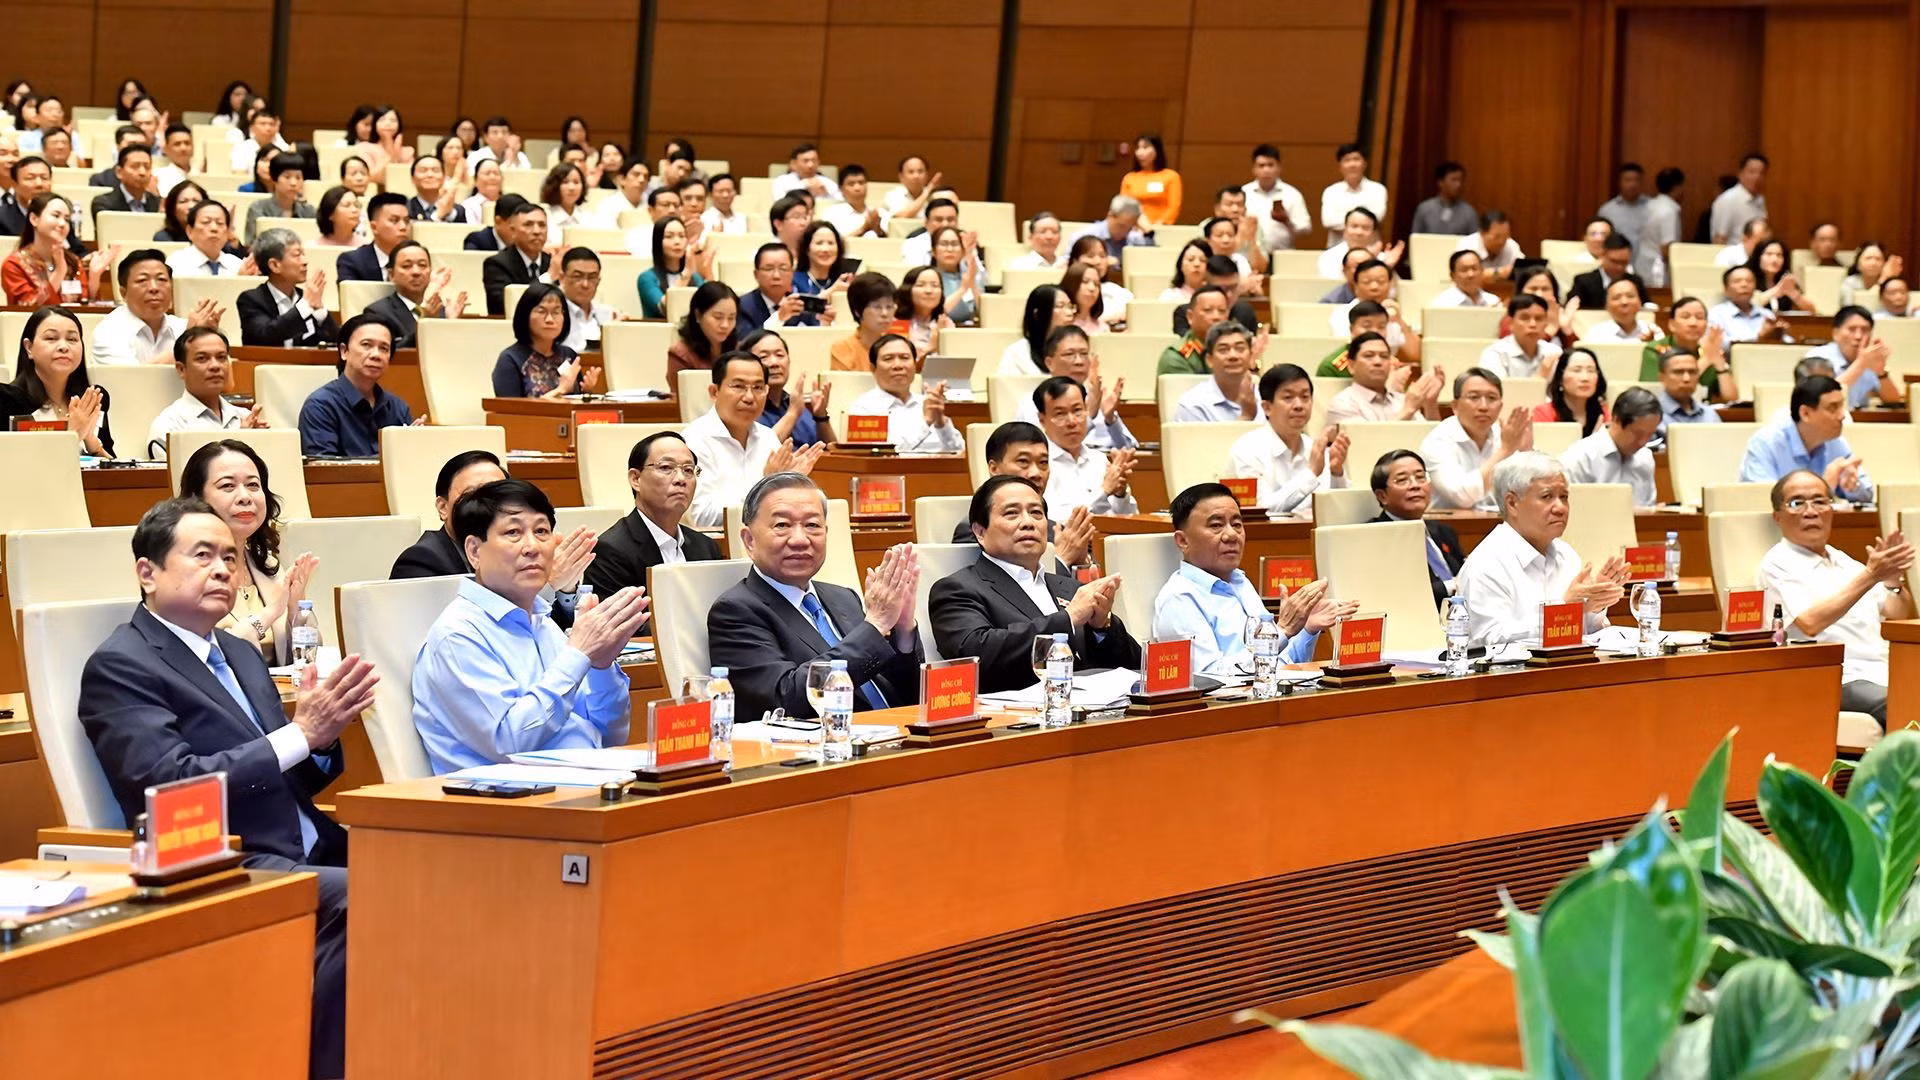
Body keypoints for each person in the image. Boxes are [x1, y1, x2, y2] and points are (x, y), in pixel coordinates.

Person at [80, 497, 370, 1080]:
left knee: (454, 868)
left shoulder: (238, 652)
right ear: (148, 572)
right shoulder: (122, 664)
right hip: (226, 859)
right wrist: (298, 734)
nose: (223, 570)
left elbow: (301, 775)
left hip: (312, 844)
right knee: (372, 899)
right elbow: (169, 788)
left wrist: (320, 737)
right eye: (203, 555)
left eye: (232, 559)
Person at [409, 476, 644, 773]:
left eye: (542, 531)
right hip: (505, 804)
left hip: (582, 783)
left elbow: (610, 735)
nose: (532, 546)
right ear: (474, 551)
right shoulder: (458, 635)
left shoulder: (544, 625)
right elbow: (509, 742)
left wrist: (601, 666)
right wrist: (578, 655)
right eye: (513, 532)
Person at [708, 473, 923, 720]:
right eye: (782, 525)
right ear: (749, 540)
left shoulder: (844, 597)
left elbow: (907, 694)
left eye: (812, 525)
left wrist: (904, 629)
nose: (800, 540)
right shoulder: (735, 610)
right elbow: (785, 700)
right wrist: (875, 625)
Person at [929, 474, 1139, 693]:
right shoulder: (957, 590)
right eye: (1011, 513)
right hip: (1016, 719)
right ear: (980, 532)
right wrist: (1068, 619)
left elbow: (1135, 667)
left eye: (1036, 513)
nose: (1028, 523)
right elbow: (975, 656)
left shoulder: (1068, 587)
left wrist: (1103, 627)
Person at [1756, 469, 1914, 727]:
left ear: (1832, 509)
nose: (1810, 511)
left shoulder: (1845, 561)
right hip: (1837, 677)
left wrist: (1892, 581)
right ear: (1778, 516)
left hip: (1885, 669)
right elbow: (1809, 623)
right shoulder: (1777, 564)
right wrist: (1871, 575)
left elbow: (1898, 613)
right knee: (1901, 703)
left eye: (1819, 501)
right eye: (1797, 503)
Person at [1152, 483, 1353, 676]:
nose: (1231, 534)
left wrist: (1306, 628)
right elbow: (1210, 679)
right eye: (1216, 525)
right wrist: (1281, 631)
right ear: (1183, 541)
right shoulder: (1179, 599)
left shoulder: (1240, 582)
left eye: (1237, 524)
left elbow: (1276, 665)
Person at [1455, 452, 1628, 647]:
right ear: (1512, 503)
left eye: (1564, 497)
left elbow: (1585, 634)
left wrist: (1593, 605)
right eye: (1547, 497)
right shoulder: (1486, 564)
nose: (1560, 508)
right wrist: (1563, 610)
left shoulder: (1567, 555)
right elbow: (1489, 641)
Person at [178, 439, 320, 663]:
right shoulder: (184, 571)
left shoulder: (268, 565)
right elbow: (208, 656)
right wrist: (272, 611)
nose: (245, 497)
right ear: (197, 499)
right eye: (228, 486)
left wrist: (296, 611)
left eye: (253, 485)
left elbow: (308, 661)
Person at [580, 431, 725, 606]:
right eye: (665, 468)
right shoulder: (610, 550)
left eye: (688, 470)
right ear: (636, 479)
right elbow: (622, 625)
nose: (681, 479)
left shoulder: (706, 548)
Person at [683, 351, 822, 528]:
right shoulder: (694, 441)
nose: (749, 397)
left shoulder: (767, 437)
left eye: (757, 388)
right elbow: (702, 517)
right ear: (714, 392)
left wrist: (791, 483)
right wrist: (767, 485)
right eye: (739, 386)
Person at [1227, 363, 1348, 515]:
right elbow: (1257, 511)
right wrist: (1311, 474)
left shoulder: (1316, 448)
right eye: (1288, 397)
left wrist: (1337, 473)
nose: (1299, 405)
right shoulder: (1246, 450)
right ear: (1267, 407)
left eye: (1305, 397)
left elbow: (1339, 509)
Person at [0, 306, 115, 456]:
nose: (63, 347)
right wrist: (71, 434)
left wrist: (92, 442)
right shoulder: (6, 400)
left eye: (72, 339)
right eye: (51, 338)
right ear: (29, 347)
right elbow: (14, 465)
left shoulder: (91, 398)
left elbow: (114, 473)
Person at [1737, 375, 1872, 502]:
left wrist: (1853, 486)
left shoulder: (1836, 443)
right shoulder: (1766, 444)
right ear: (1805, 413)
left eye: (1842, 406)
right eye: (1832, 408)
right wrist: (1824, 486)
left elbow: (1867, 495)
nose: (1842, 416)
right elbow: (1762, 502)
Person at [296, 313, 411, 456]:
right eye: (366, 345)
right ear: (344, 351)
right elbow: (324, 468)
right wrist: (392, 457)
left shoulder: (398, 408)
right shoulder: (320, 406)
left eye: (384, 348)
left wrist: (412, 444)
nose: (376, 355)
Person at [1010, 325, 1137, 452]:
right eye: (1069, 354)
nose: (1079, 361)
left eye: (1084, 354)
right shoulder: (1035, 402)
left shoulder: (1098, 396)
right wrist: (1090, 415)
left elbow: (1130, 448)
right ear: (1049, 363)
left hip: (1104, 463)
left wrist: (1111, 419)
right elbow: (1043, 451)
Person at [1420, 367, 1529, 511]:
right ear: (1455, 406)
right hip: (1450, 528)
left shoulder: (1505, 434)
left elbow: (1529, 491)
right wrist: (1505, 451)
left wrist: (1528, 451)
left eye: (1491, 398)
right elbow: (1461, 496)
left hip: (1501, 523)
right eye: (1474, 397)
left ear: (1500, 406)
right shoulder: (1436, 441)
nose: (1483, 406)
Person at [1370, 450, 1465, 611]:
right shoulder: (1373, 537)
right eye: (1402, 480)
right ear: (1382, 495)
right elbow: (1398, 594)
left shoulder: (1443, 531)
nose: (1415, 485)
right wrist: (1451, 586)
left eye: (1420, 477)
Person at [390, 450, 507, 578]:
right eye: (472, 494)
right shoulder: (420, 561)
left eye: (498, 495)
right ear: (443, 507)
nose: (487, 504)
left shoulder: (518, 549)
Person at [1034, 375, 1138, 519]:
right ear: (1042, 420)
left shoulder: (1099, 459)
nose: (1072, 421)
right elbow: (1052, 521)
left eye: (1077, 410)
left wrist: (1120, 494)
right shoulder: (1039, 465)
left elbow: (1131, 518)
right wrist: (1104, 491)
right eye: (1060, 414)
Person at [89, 249, 215, 367]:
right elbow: (132, 380)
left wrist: (210, 338)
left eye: (161, 279)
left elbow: (225, 383)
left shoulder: (182, 327)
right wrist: (188, 342)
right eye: (142, 280)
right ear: (123, 293)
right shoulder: (108, 331)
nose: (154, 288)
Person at [148, 328, 262, 449]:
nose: (215, 366)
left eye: (221, 357)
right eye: (202, 358)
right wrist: (241, 440)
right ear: (181, 369)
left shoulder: (245, 417)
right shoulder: (169, 426)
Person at [491, 282, 597, 399]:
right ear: (525, 315)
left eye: (556, 312)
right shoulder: (510, 359)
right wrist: (560, 390)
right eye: (541, 311)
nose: (550, 319)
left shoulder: (568, 355)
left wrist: (587, 392)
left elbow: (574, 405)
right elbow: (509, 411)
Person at [1559, 386, 1661, 505]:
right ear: (1616, 420)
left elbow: (1649, 506)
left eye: (1650, 434)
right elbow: (1572, 512)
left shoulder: (1645, 457)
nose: (1643, 441)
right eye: (1637, 433)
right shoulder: (1580, 458)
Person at [238, 228, 337, 347]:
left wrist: (320, 311)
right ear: (274, 265)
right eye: (297, 255)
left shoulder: (305, 297)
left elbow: (334, 342)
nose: (305, 261)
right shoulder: (251, 300)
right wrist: (304, 307)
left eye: (303, 254)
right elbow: (264, 336)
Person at [2, 193, 105, 304]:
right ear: (34, 219)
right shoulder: (14, 265)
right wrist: (59, 271)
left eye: (67, 219)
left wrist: (94, 276)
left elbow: (85, 307)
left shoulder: (73, 261)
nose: (62, 224)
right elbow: (28, 309)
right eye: (56, 216)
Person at [744, 329, 836, 448]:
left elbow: (833, 451)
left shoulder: (794, 404)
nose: (774, 362)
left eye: (780, 355)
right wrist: (792, 413)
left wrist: (821, 417)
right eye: (764, 356)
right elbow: (759, 452)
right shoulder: (746, 406)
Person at [1325, 332, 1441, 424]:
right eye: (1369, 356)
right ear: (1351, 366)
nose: (1378, 362)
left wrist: (1430, 404)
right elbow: (1366, 444)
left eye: (1384, 356)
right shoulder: (1343, 403)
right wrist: (1407, 411)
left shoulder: (1401, 400)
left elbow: (1430, 441)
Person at [366, 240, 463, 348]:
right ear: (391, 274)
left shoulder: (441, 311)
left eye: (422, 265)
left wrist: (451, 324)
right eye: (407, 266)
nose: (416, 272)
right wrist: (425, 324)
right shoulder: (378, 312)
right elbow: (391, 353)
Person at [1806, 306, 1900, 409]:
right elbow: (1822, 397)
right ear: (1835, 333)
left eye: (1865, 330)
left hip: (1858, 421)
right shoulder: (1818, 357)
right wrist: (1861, 364)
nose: (1858, 336)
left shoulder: (1870, 358)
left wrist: (1881, 372)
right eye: (1852, 329)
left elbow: (1893, 400)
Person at [1172, 322, 1263, 422]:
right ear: (1209, 360)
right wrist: (1246, 417)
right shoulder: (1193, 405)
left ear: (1250, 356)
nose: (1233, 356)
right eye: (1223, 350)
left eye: (1240, 349)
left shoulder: (1267, 398)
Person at [481, 201, 552, 316]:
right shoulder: (496, 264)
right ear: (513, 230)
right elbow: (505, 306)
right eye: (528, 225)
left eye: (542, 225)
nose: (537, 231)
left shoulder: (552, 263)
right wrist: (549, 277)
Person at [736, 242, 825, 330]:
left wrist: (826, 323)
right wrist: (779, 317)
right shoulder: (742, 306)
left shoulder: (802, 304)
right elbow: (746, 342)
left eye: (783, 268)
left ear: (792, 273)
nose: (776, 276)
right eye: (768, 269)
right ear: (756, 274)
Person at [665, 280, 739, 380]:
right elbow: (680, 394)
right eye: (718, 317)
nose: (725, 325)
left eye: (731, 318)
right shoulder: (681, 354)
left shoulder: (739, 348)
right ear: (698, 315)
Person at [1242, 143, 1311, 251]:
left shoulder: (1292, 194)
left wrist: (1286, 221)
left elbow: (1305, 229)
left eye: (1270, 165)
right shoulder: (1244, 193)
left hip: (1282, 254)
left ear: (1279, 168)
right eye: (1261, 165)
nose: (1266, 170)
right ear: (1254, 169)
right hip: (1250, 254)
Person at [636, 215, 705, 319]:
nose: (677, 242)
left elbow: (708, 307)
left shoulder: (695, 277)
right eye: (669, 236)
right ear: (658, 242)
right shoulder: (647, 278)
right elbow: (665, 308)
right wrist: (685, 276)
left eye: (682, 236)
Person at [1480, 294, 1564, 379]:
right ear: (1510, 323)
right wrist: (1541, 375)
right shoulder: (1495, 354)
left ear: (1546, 323)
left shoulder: (1554, 351)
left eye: (1539, 318)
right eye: (1525, 318)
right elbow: (1497, 391)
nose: (1533, 324)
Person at [828, 272, 899, 371]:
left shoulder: (898, 347)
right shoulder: (843, 349)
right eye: (877, 307)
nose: (885, 313)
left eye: (889, 307)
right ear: (857, 311)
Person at [1533, 347, 1609, 436]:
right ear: (1560, 378)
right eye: (1577, 370)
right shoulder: (1544, 414)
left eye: (1591, 371)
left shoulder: (1604, 414)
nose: (1585, 378)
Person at [334, 192, 410, 282]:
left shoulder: (418, 261)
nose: (403, 227)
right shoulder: (352, 262)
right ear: (374, 227)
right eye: (394, 220)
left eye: (406, 221)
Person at [1000, 285, 1074, 375]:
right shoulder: (1017, 353)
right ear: (1038, 314)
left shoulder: (1078, 348)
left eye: (1070, 307)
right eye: (1060, 306)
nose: (1070, 313)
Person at [1318, 143, 1388, 240]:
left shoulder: (1377, 190)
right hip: (1336, 247)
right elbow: (1328, 221)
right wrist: (1362, 223)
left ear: (1365, 164)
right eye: (1347, 160)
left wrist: (1346, 221)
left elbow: (1376, 218)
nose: (1352, 164)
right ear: (1340, 166)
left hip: (1368, 248)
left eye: (1356, 159)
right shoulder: (1331, 192)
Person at [243, 154, 315, 245]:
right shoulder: (258, 209)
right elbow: (250, 246)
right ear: (274, 179)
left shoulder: (309, 212)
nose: (293, 183)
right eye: (287, 177)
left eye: (298, 177)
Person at [1317, 206, 1401, 280]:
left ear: (1373, 232)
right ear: (1345, 228)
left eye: (1365, 228)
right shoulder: (1329, 256)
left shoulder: (1382, 258)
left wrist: (1387, 266)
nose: (1359, 232)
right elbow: (1333, 287)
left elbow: (1392, 292)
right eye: (1354, 226)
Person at [1651, 348, 1721, 435]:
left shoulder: (1710, 415)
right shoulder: (1650, 415)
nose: (1686, 379)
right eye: (1678, 372)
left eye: (1692, 372)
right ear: (1661, 377)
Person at [168, 200, 245, 277]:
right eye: (206, 222)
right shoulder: (177, 262)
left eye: (220, 223)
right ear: (190, 231)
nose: (214, 228)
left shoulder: (237, 265)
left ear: (227, 232)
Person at [88, 144, 158, 225]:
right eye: (135, 166)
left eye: (147, 167)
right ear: (119, 172)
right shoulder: (103, 204)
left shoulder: (156, 202)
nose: (142, 172)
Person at [1119, 133, 1180, 225]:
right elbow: (1124, 205)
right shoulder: (1129, 178)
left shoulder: (1171, 176)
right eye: (1138, 148)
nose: (1140, 152)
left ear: (1157, 150)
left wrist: (1157, 225)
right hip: (1133, 227)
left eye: (1145, 147)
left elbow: (1174, 206)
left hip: (1161, 227)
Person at [1072, 195, 1155, 262]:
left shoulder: (1133, 238)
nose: (1125, 232)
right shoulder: (1085, 236)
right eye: (1121, 226)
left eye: (1130, 227)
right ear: (1110, 216)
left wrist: (1149, 231)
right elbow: (1069, 266)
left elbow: (1151, 259)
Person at [1708, 265, 1779, 343]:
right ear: (1726, 289)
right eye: (1737, 281)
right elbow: (1720, 344)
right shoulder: (1716, 314)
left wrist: (1779, 333)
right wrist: (1759, 337)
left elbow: (1788, 341)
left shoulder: (1767, 314)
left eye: (1749, 281)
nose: (1744, 285)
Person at [1567, 233, 1636, 311]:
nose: (1619, 267)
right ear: (1602, 256)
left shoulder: (1634, 282)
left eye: (1624, 262)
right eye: (1614, 261)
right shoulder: (1583, 282)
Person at [891, 265, 951, 355]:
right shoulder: (895, 322)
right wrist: (931, 346)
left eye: (935, 285)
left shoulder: (945, 323)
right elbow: (898, 360)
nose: (929, 291)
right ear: (908, 290)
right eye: (921, 285)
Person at [1710, 152, 1768, 244]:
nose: (1757, 177)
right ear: (1740, 173)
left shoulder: (1760, 199)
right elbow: (1719, 239)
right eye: (1752, 172)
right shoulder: (1727, 200)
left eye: (1761, 173)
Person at [1409, 161, 1476, 236]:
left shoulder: (1468, 212)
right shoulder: (1424, 209)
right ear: (1440, 182)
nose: (1458, 185)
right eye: (1454, 180)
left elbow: (1474, 242)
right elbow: (1415, 239)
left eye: (1460, 180)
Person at [1451, 211, 1521, 280]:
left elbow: (1525, 270)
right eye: (1497, 237)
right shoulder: (1467, 245)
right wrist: (1498, 273)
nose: (1501, 241)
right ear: (1482, 233)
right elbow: (1461, 277)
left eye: (1505, 236)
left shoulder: (1511, 245)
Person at [1748, 238, 1811, 314]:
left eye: (1779, 255)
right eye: (1769, 254)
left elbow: (1812, 311)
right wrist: (1777, 290)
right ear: (1758, 257)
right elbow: (1747, 306)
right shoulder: (1747, 278)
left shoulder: (1786, 280)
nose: (1775, 259)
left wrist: (1794, 294)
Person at [771, 142, 841, 203]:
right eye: (805, 161)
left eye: (814, 161)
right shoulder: (781, 181)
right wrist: (803, 186)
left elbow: (840, 204)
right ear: (794, 163)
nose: (811, 165)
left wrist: (825, 194)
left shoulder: (827, 182)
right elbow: (779, 204)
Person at [1840, 242, 1901, 309]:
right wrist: (1882, 280)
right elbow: (1850, 310)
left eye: (1878, 259)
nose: (1873, 263)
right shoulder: (1849, 283)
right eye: (1868, 258)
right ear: (1858, 264)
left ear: (1884, 263)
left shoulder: (1891, 284)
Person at [1431, 250, 1501, 308]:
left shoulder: (1494, 302)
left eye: (1474, 268)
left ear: (1482, 271)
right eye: (1464, 270)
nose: (1471, 274)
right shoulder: (1441, 304)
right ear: (1452, 276)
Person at [405, 153, 464, 223]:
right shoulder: (405, 208)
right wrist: (438, 215)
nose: (430, 175)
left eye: (435, 170)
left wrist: (450, 213)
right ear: (412, 178)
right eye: (423, 170)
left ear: (444, 177)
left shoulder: (458, 210)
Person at [883, 154, 942, 220]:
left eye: (920, 171)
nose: (916, 176)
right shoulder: (893, 195)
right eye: (911, 172)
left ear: (927, 175)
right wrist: (927, 192)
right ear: (901, 177)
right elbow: (901, 217)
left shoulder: (935, 196)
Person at [538, 162, 588, 234]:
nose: (572, 187)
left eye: (576, 182)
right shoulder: (543, 216)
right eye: (565, 182)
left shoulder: (588, 218)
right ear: (554, 186)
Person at [460, 161, 506, 232]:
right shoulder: (467, 206)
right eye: (487, 173)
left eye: (496, 173)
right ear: (475, 180)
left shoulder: (510, 203)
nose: (492, 177)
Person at [149, 123, 193, 198]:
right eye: (177, 144)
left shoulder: (203, 173)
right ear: (166, 149)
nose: (183, 148)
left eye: (187, 143)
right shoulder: (158, 176)